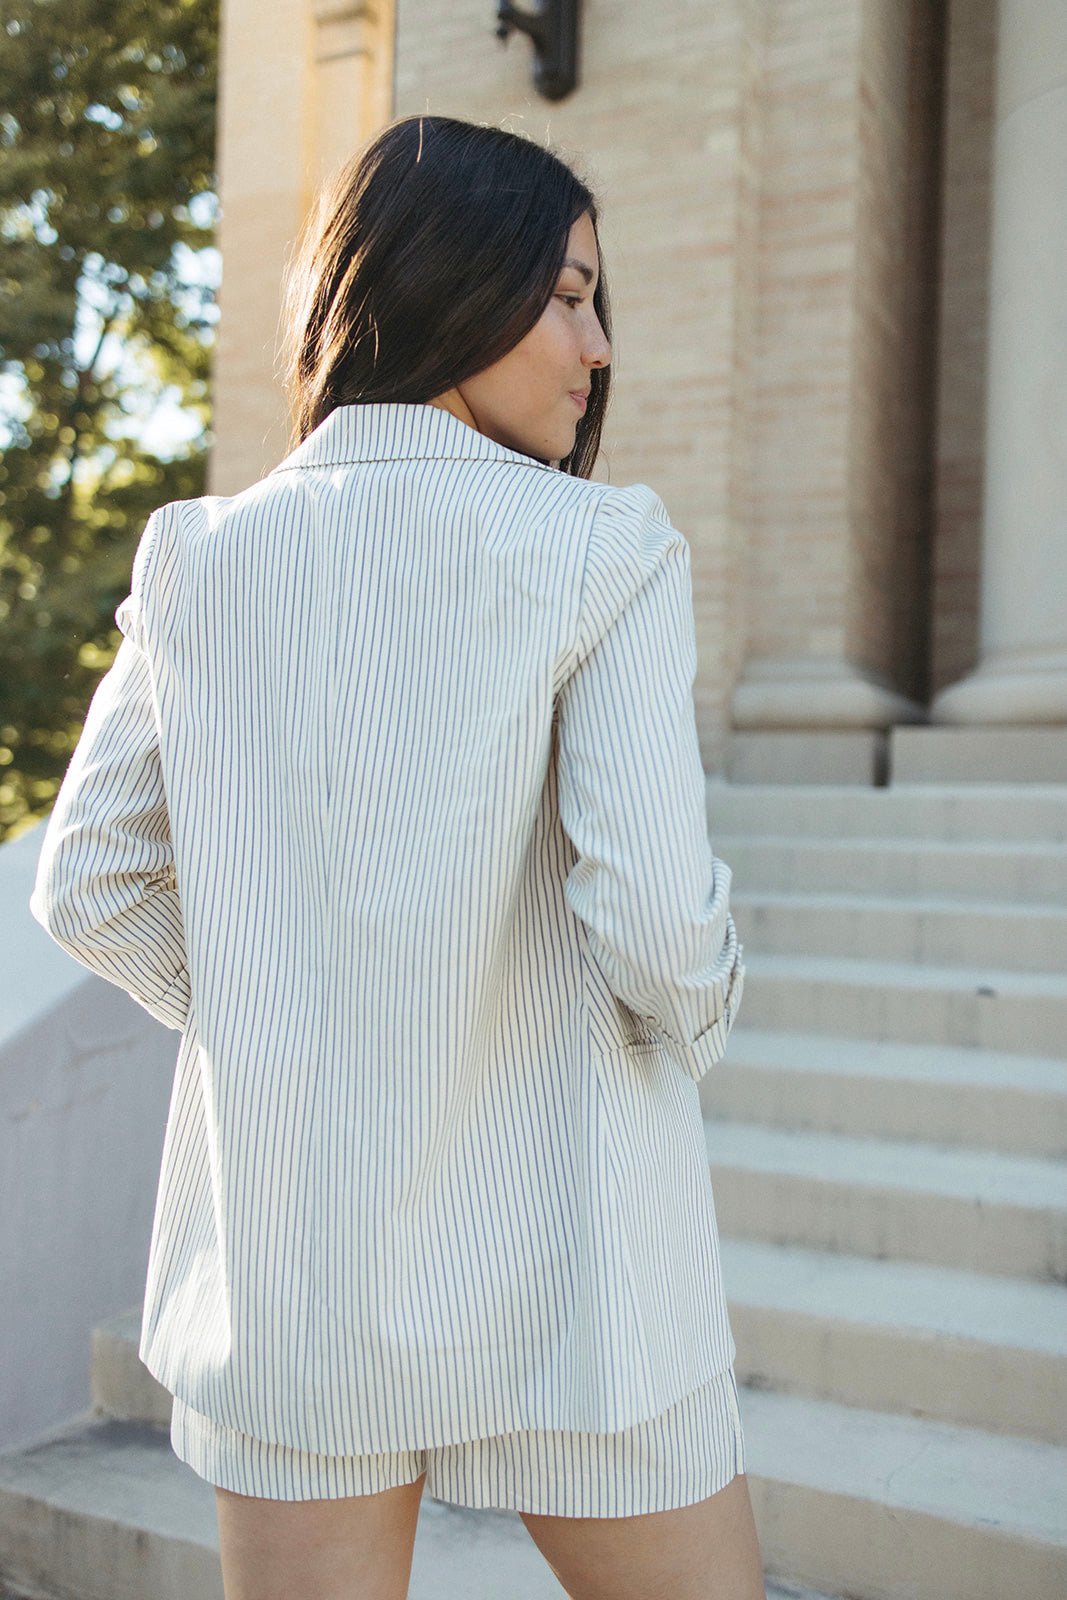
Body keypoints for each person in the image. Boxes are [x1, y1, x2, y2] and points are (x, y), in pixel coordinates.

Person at [28, 112, 765, 1599]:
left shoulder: (201, 555)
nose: (599, 344)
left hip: (300, 1282)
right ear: (448, 279)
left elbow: (89, 881)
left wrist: (292, 1016)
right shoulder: (603, 549)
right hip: (587, 1267)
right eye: (567, 294)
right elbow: (660, 930)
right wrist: (690, 1022)